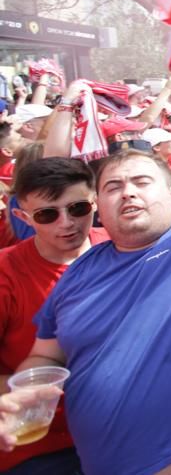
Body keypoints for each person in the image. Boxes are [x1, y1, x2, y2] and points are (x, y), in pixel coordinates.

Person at [4, 14, 171, 474]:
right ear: (98, 205)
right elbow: (47, 352)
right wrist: (23, 388)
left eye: (142, 182)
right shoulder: (80, 270)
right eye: (113, 186)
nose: (127, 191)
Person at [0, 158, 107, 473]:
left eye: (77, 209)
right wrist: (25, 389)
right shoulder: (6, 273)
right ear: (23, 217)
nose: (66, 223)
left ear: (94, 202)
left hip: (120, 428)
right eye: (47, 214)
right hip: (43, 446)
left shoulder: (121, 248)